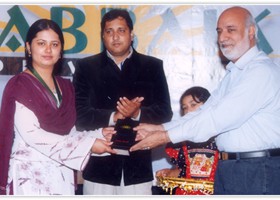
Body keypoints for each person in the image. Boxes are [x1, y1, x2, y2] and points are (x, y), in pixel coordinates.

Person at [130, 6, 280, 195]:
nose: (223, 37)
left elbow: (217, 118)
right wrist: (161, 128)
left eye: (230, 29)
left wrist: (164, 137)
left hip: (257, 170)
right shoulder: (235, 73)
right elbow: (205, 112)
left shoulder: (260, 72)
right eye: (219, 31)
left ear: (251, 31)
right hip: (233, 168)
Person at [0, 19, 117, 195]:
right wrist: (89, 145)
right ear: (28, 47)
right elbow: (34, 136)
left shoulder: (66, 87)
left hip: (61, 174)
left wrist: (98, 133)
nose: (48, 50)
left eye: (54, 44)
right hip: (30, 176)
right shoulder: (19, 85)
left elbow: (68, 134)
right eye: (41, 43)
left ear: (61, 50)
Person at [73, 8, 173, 195]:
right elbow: (80, 115)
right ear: (103, 36)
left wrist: (137, 113)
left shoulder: (152, 66)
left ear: (131, 34)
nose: (115, 37)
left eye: (121, 30)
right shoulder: (86, 67)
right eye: (109, 31)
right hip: (98, 166)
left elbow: (165, 112)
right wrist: (114, 116)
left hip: (138, 167)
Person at [156, 86, 219, 195]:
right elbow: (182, 171)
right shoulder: (181, 142)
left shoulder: (221, 138)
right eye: (184, 107)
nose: (188, 110)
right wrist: (169, 173)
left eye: (193, 105)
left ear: (208, 105)